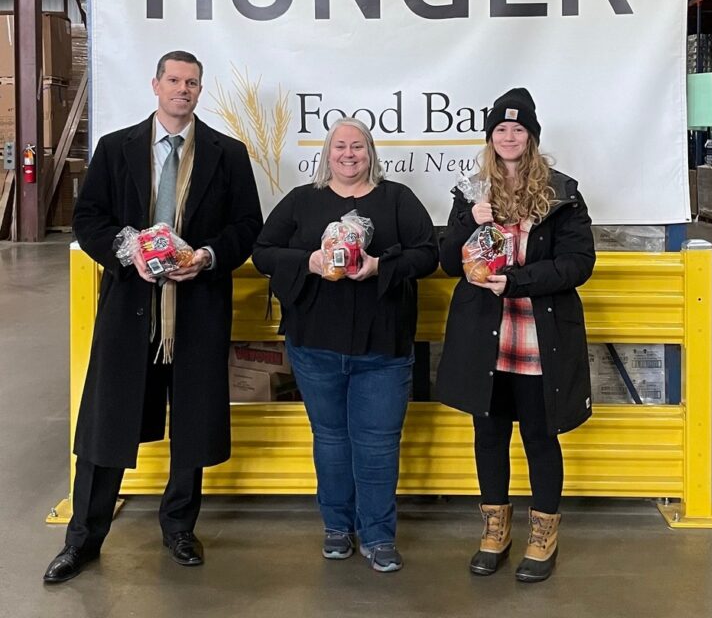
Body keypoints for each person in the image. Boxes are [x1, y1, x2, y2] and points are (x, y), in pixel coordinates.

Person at [43, 51, 263, 584]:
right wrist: (126, 249)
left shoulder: (227, 153)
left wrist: (207, 257)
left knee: (190, 422)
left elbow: (247, 226)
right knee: (105, 425)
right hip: (130, 310)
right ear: (155, 85)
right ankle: (83, 540)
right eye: (173, 80)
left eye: (191, 82)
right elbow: (89, 217)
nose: (182, 89)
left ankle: (179, 528)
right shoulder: (116, 148)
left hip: (196, 310)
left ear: (199, 90)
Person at [252, 117, 438, 573]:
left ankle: (377, 534)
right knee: (331, 440)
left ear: (370, 152)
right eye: (340, 147)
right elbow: (263, 253)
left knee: (377, 444)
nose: (349, 154)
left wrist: (379, 266)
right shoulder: (302, 200)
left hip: (384, 348)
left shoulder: (397, 199)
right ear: (327, 154)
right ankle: (337, 526)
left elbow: (429, 253)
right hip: (314, 344)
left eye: (358, 146)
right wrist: (309, 260)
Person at [436, 88, 595, 584]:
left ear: (531, 137)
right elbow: (447, 263)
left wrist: (519, 281)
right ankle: (495, 531)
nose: (509, 137)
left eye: (518, 129)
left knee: (540, 436)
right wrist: (468, 221)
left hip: (538, 335)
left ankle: (543, 534)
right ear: (490, 138)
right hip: (486, 335)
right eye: (500, 130)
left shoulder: (563, 192)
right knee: (489, 435)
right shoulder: (471, 192)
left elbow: (578, 263)